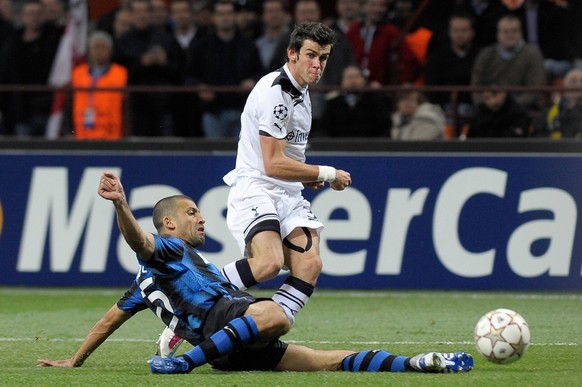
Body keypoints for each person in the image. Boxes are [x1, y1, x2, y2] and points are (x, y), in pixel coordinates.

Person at [37, 171, 474, 375]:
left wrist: (74, 360)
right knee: (277, 314)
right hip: (229, 324)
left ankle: (421, 364)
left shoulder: (162, 278)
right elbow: (138, 241)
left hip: (234, 347)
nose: (201, 219)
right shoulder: (167, 249)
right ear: (169, 223)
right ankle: (183, 365)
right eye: (193, 213)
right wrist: (120, 205)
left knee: (332, 361)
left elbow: (109, 318)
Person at [221, 22, 352, 327]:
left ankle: (263, 326)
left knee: (310, 264)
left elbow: (287, 159)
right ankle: (191, 302)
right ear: (291, 54)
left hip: (287, 192)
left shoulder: (300, 91)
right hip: (257, 188)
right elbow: (272, 164)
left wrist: (305, 176)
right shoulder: (276, 92)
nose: (317, 64)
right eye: (310, 55)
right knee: (268, 263)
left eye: (323, 58)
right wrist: (329, 173)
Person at [187, 0, 263, 138]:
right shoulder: (202, 46)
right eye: (221, 14)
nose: (225, 17)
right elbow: (189, 76)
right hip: (213, 112)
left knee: (242, 155)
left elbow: (261, 73)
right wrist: (200, 87)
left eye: (229, 13)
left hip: (243, 110)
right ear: (214, 18)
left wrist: (252, 81)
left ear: (235, 16)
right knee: (215, 154)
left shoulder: (248, 46)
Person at [471, 13, 546, 110]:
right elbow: (475, 86)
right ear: (498, 34)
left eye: (514, 31)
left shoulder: (532, 55)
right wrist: (485, 103)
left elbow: (535, 90)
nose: (510, 35)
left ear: (521, 33)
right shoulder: (486, 54)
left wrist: (508, 106)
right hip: (489, 107)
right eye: (505, 32)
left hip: (521, 109)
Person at [71, 31, 128, 140]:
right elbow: (69, 104)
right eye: (96, 47)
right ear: (89, 50)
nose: (99, 51)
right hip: (81, 136)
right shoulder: (77, 73)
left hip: (112, 137)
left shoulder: (121, 73)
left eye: (103, 47)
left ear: (110, 51)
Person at [319, 65, 391, 137]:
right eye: (349, 77)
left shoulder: (375, 100)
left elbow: (384, 124)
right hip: (340, 144)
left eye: (357, 77)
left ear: (364, 80)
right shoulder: (333, 102)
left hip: (370, 144)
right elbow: (325, 127)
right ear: (341, 81)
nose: (353, 81)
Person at [533, 69, 582, 138]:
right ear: (565, 85)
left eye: (581, 81)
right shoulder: (551, 110)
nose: (578, 85)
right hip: (555, 147)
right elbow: (538, 134)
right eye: (573, 81)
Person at [466, 87, 530, 138]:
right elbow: (472, 135)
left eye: (494, 95)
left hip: (511, 150)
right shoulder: (480, 112)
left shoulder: (517, 112)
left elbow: (519, 135)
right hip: (484, 150)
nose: (491, 100)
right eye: (487, 98)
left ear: (503, 94)